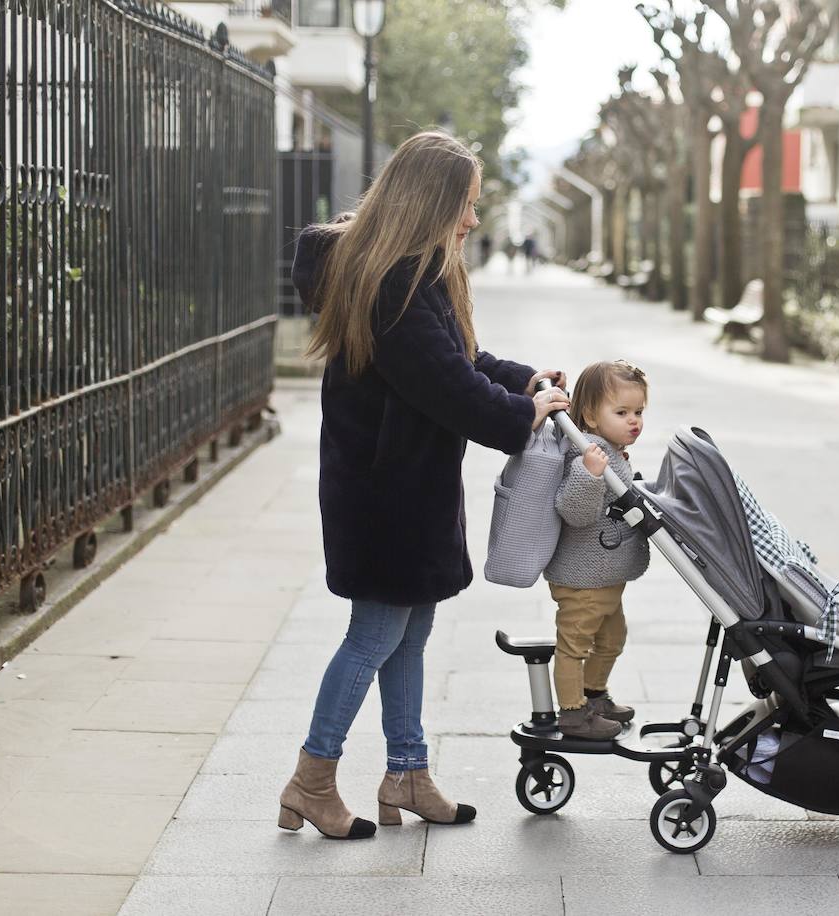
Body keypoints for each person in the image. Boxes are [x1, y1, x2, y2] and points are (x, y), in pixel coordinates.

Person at [278, 131, 570, 839]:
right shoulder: (392, 288)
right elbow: (452, 390)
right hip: (386, 495)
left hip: (403, 487)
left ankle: (407, 771)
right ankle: (311, 780)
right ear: (429, 203)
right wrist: (522, 412)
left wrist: (524, 380)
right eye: (465, 205)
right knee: (375, 633)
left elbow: (463, 360)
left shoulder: (409, 272)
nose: (473, 220)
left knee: (410, 632)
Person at [544, 360, 651, 739]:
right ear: (589, 415)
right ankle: (573, 713)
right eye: (621, 412)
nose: (634, 420)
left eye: (638, 412)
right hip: (582, 580)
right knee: (574, 645)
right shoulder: (586, 455)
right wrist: (590, 474)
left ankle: (593, 693)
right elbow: (574, 511)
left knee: (611, 639)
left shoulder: (611, 450)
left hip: (605, 577)